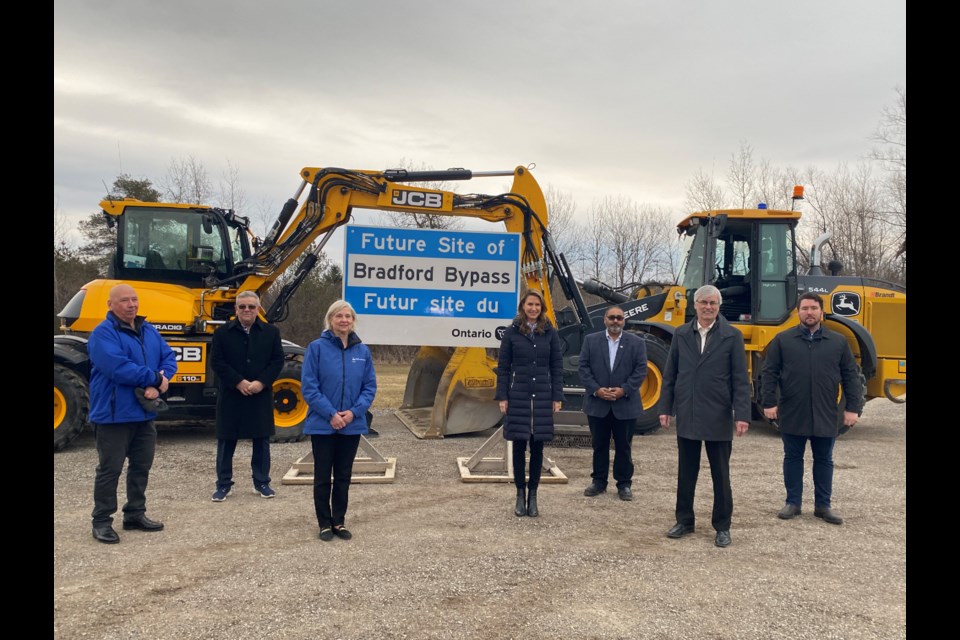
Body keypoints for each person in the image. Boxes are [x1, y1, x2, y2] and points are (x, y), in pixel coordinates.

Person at [658, 285, 750, 548]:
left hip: (718, 414)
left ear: (718, 307)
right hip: (688, 412)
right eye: (703, 302)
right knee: (686, 472)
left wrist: (741, 414)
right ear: (694, 305)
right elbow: (671, 375)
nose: (708, 307)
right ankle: (684, 521)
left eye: (713, 303)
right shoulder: (681, 334)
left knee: (721, 474)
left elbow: (740, 380)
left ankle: (722, 526)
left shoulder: (732, 336)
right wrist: (665, 408)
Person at [761, 292, 863, 526]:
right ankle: (793, 502)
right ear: (798, 312)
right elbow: (769, 373)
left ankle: (823, 506)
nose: (809, 312)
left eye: (814, 308)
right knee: (793, 457)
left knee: (824, 459)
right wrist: (769, 403)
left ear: (821, 312)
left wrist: (852, 408)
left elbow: (850, 377)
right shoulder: (783, 340)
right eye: (805, 308)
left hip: (826, 412)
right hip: (793, 410)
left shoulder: (838, 342)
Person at [87, 283, 178, 544]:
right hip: (114, 416)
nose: (131, 305)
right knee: (110, 470)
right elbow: (117, 367)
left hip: (144, 414)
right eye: (125, 300)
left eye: (134, 300)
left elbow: (168, 356)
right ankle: (102, 521)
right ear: (110, 305)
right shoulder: (102, 334)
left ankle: (135, 513)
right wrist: (153, 380)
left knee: (141, 467)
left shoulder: (148, 330)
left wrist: (163, 378)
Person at [302, 300, 377, 541]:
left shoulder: (362, 351)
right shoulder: (316, 348)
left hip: (351, 424)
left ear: (353, 321)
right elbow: (310, 387)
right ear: (330, 320)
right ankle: (324, 523)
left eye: (348, 316)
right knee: (323, 476)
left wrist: (353, 413)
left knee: (343, 476)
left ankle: (339, 521)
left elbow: (369, 387)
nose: (344, 320)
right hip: (324, 424)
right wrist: (331, 414)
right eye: (339, 316)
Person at [209, 291, 285, 501]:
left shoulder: (271, 332)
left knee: (261, 440)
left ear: (258, 309)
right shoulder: (222, 333)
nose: (247, 310)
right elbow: (217, 362)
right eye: (242, 306)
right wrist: (238, 382)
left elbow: (277, 361)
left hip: (260, 394)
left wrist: (261, 382)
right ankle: (223, 484)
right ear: (236, 309)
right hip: (232, 394)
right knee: (226, 440)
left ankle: (262, 483)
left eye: (251, 307)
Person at [495, 289, 563, 518]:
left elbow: (557, 367)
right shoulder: (512, 332)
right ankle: (519, 495)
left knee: (537, 447)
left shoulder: (549, 333)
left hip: (542, 396)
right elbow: (503, 367)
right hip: (519, 396)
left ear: (541, 308)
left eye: (537, 305)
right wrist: (502, 396)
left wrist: (557, 396)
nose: (533, 308)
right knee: (518, 446)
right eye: (529, 304)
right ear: (523, 306)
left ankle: (533, 495)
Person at [578, 306, 648, 501]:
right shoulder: (591, 341)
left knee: (624, 446)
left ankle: (624, 484)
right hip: (597, 403)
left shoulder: (636, 343)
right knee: (599, 445)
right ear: (605, 320)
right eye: (612, 318)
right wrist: (596, 389)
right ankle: (598, 481)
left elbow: (641, 370)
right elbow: (583, 367)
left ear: (624, 320)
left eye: (619, 318)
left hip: (625, 404)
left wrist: (624, 390)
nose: (615, 321)